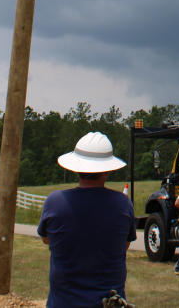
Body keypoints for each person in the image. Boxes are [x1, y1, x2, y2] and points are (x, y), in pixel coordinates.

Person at [37, 132, 137, 308]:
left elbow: (47, 239)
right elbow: (125, 244)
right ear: (107, 170)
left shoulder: (54, 201)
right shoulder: (123, 203)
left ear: (77, 167)